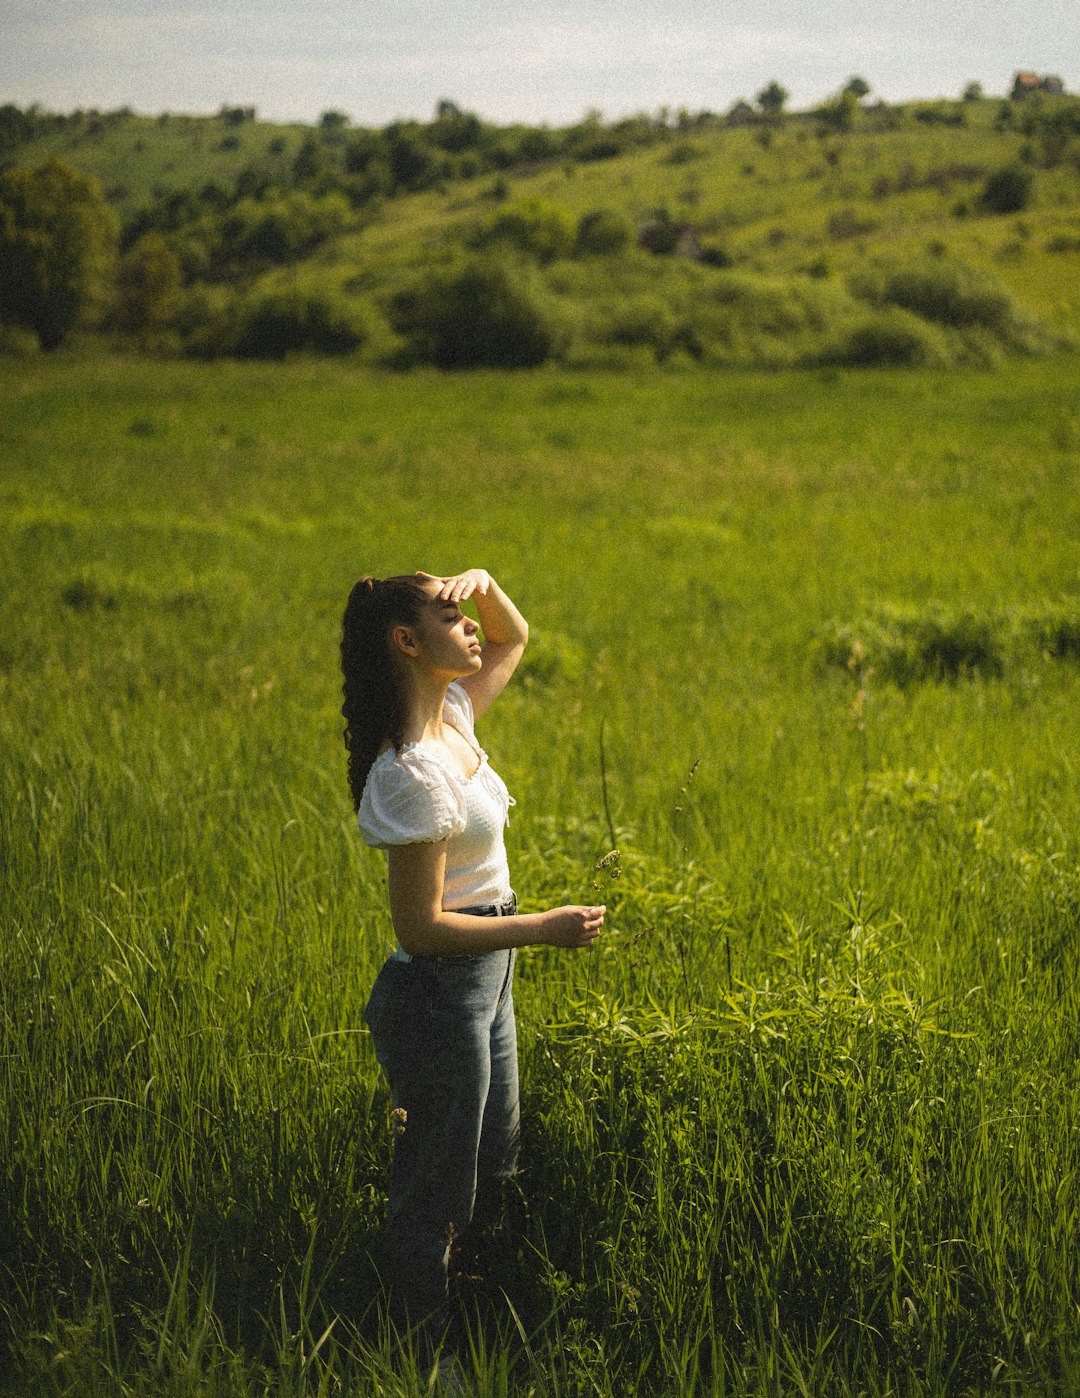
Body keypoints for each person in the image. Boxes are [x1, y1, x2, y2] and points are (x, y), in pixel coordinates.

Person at [339, 568, 604, 1358]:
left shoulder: (455, 715)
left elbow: (516, 636)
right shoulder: (411, 771)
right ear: (406, 642)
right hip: (440, 991)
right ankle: (428, 1355)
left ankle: (482, 1324)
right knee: (439, 1187)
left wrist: (483, 583)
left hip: (486, 981)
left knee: (495, 1160)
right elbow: (419, 930)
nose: (473, 630)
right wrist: (539, 929)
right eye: (453, 617)